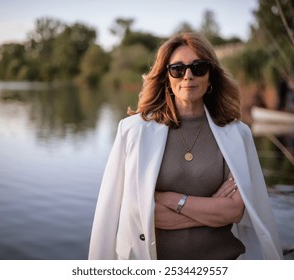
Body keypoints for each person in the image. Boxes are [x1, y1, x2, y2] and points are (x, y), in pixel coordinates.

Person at [88, 32, 283, 260]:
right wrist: (212, 208)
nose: (188, 76)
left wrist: (168, 199)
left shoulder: (238, 134)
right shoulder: (133, 131)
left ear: (210, 75)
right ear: (166, 77)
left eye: (198, 67)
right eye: (178, 69)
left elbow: (234, 211)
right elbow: (125, 212)